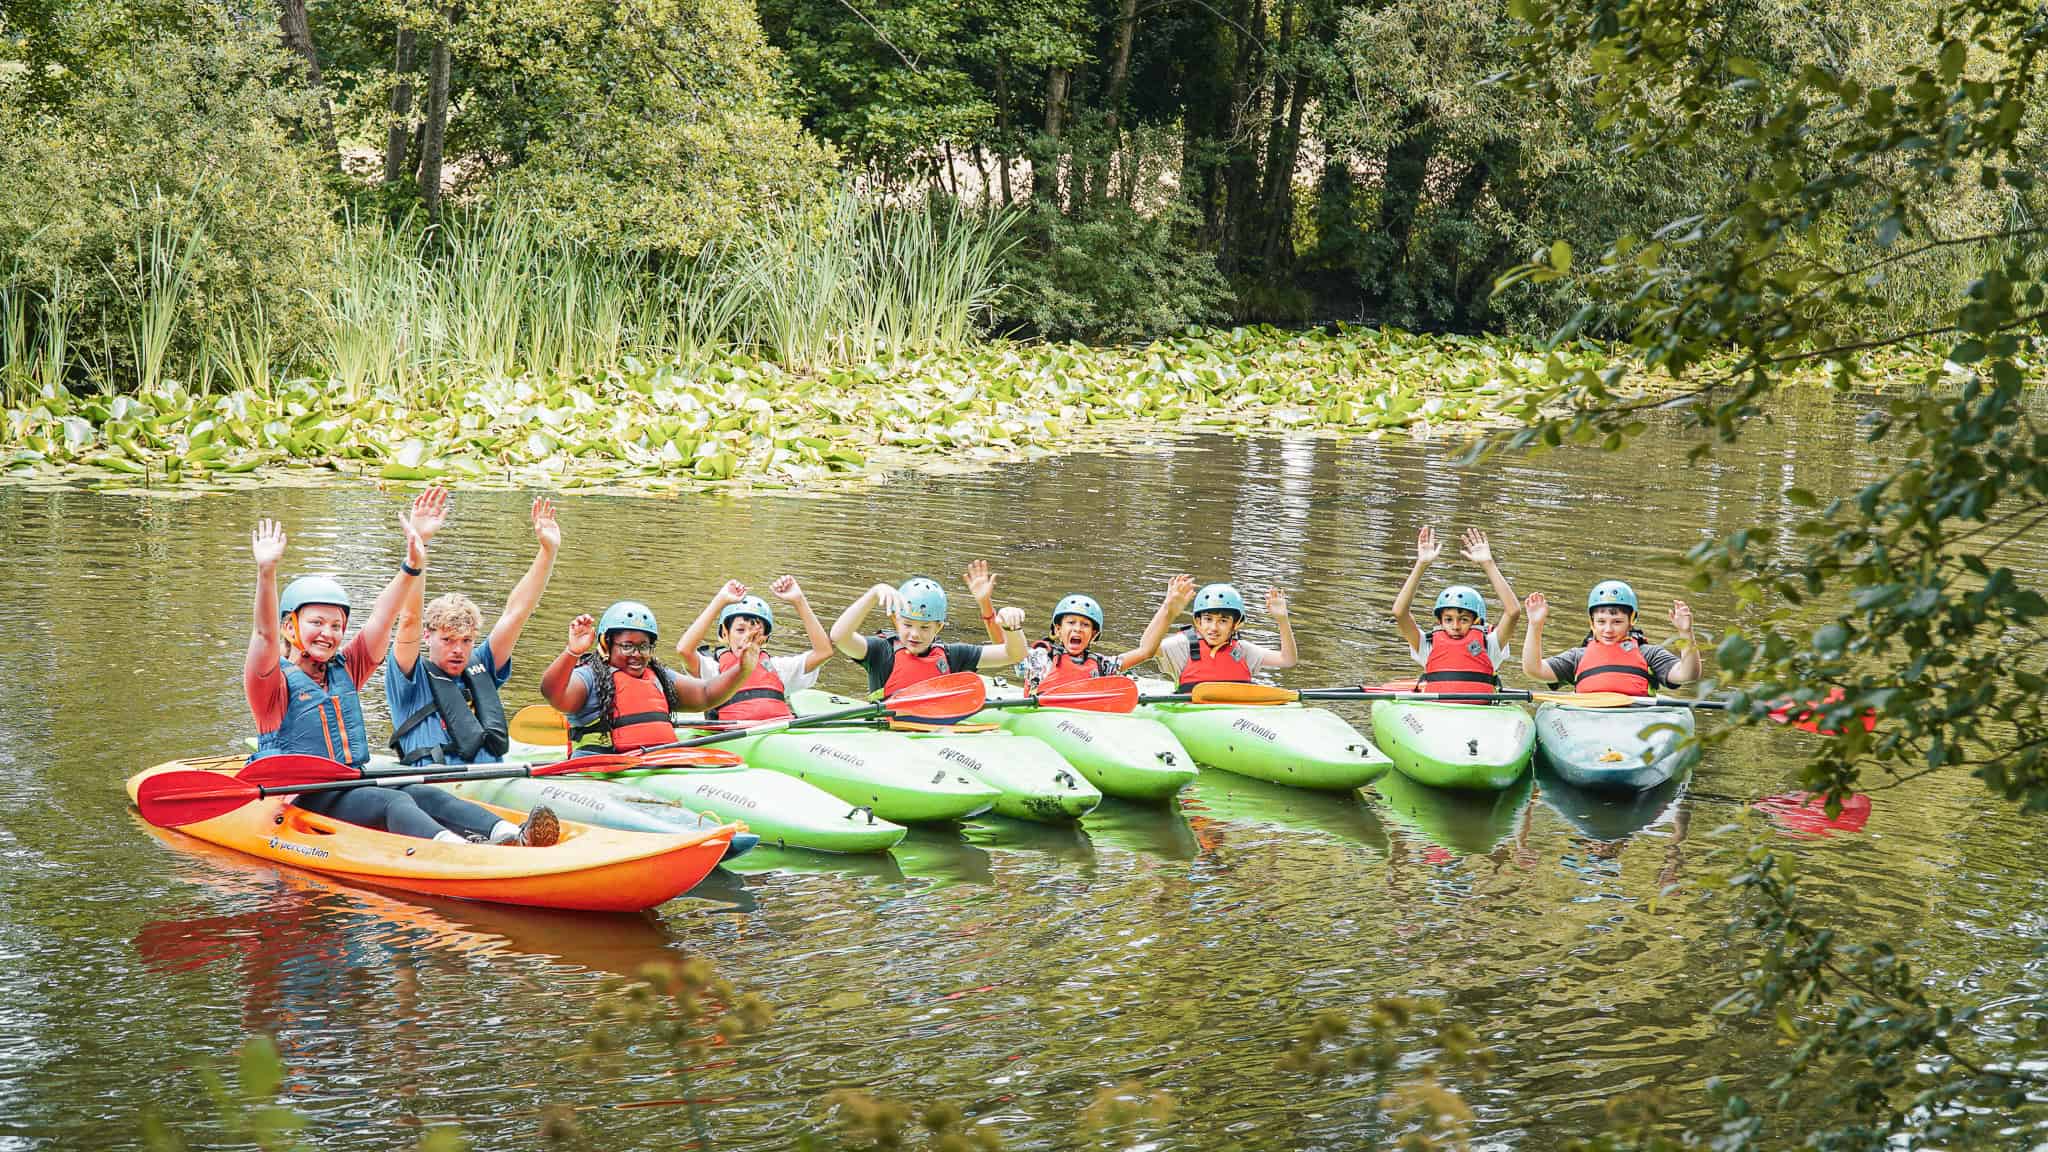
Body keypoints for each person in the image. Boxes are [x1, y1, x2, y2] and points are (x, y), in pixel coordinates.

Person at [243, 489, 556, 846]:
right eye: (316, 622)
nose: (327, 633)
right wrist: (266, 572)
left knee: (422, 791)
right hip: (302, 794)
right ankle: (456, 850)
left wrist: (413, 563)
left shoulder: (348, 667)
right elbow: (263, 634)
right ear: (290, 626)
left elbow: (384, 615)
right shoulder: (270, 684)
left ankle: (511, 834)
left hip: (348, 781)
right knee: (394, 798)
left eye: (335, 625)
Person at [386, 495, 559, 766]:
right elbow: (409, 618)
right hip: (437, 787)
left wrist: (548, 553)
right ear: (427, 636)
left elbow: (516, 613)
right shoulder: (409, 678)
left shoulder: (481, 668)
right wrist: (419, 548)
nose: (458, 649)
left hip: (492, 779)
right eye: (448, 640)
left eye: (466, 641)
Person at [540, 600, 761, 755]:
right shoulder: (588, 677)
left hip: (656, 765)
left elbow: (705, 694)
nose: (637, 655)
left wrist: (743, 669)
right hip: (600, 772)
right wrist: (572, 652)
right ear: (606, 644)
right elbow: (553, 694)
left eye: (644, 647)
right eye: (627, 647)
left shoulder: (658, 677)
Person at [829, 560, 1028, 696]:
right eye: (907, 625)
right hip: (890, 737)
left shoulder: (953, 656)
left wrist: (1012, 628)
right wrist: (873, 595)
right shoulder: (880, 652)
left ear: (939, 627)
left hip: (935, 736)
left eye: (925, 627)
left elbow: (1014, 654)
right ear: (894, 620)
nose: (915, 634)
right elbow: (840, 637)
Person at [672, 576, 837, 722]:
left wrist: (798, 600)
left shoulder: (779, 668)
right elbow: (684, 650)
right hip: (732, 738)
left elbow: (824, 652)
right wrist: (720, 601)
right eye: (740, 630)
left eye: (754, 632)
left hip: (778, 734)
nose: (746, 638)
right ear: (725, 633)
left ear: (765, 638)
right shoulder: (712, 670)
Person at [1008, 576, 1198, 695]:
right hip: (1045, 717)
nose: (1077, 629)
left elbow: (1146, 651)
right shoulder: (1040, 659)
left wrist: (1168, 611)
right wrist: (1004, 623)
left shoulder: (1102, 666)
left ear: (1094, 634)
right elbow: (1006, 649)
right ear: (1058, 630)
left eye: (1085, 625)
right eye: (1071, 623)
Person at [1388, 527, 1521, 691]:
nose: (1456, 626)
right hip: (1437, 712)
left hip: (1481, 714)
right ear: (1440, 621)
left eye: (1464, 619)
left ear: (1477, 621)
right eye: (1448, 619)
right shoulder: (1426, 645)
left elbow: (1513, 612)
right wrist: (1421, 565)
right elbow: (1400, 613)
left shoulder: (1491, 645)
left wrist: (1488, 564)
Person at [1520, 581, 1700, 694]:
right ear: (1591, 623)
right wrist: (1535, 625)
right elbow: (1534, 670)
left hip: (1635, 725)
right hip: (1589, 725)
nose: (1608, 629)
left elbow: (1688, 674)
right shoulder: (1578, 657)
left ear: (1632, 620)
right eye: (1601, 622)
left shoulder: (1649, 654)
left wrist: (1686, 633)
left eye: (1617, 622)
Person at [1152, 582, 1298, 689]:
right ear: (1198, 621)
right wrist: (1167, 611)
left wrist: (1282, 620)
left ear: (1235, 624)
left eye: (1222, 621)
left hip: (1237, 718)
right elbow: (1147, 649)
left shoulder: (1243, 651)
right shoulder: (1182, 646)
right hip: (1193, 714)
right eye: (1208, 619)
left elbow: (1288, 660)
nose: (1213, 628)